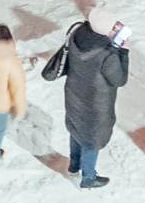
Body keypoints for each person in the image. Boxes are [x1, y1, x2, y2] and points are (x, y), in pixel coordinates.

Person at [42, 13, 131, 187]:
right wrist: (124, 53)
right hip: (96, 103)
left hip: (74, 93)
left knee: (76, 129)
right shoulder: (108, 52)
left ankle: (74, 165)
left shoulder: (78, 33)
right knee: (92, 139)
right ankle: (88, 177)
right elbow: (119, 79)